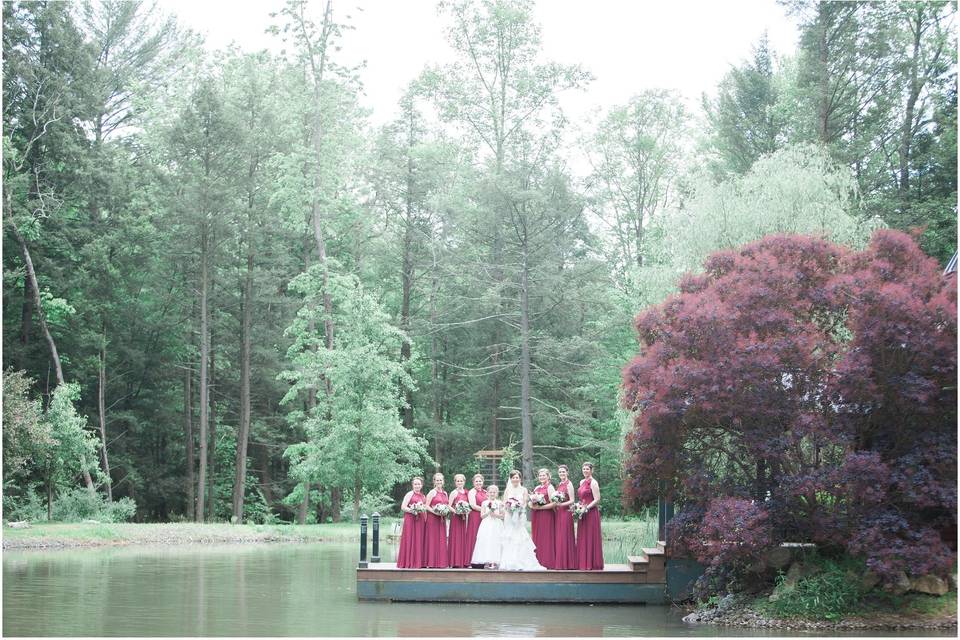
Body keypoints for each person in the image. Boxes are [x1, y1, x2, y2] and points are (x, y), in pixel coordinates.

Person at [499, 470, 546, 571]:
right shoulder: (507, 490)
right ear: (511, 479)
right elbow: (504, 503)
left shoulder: (524, 490)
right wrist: (510, 509)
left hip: (519, 516)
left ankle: (522, 561)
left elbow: (524, 503)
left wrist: (518, 509)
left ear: (520, 478)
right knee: (510, 537)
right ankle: (509, 561)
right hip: (509, 517)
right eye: (513, 477)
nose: (515, 479)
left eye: (517, 477)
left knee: (520, 536)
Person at [576, 462, 604, 570]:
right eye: (583, 469)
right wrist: (579, 507)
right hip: (582, 513)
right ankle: (583, 562)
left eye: (587, 469)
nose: (585, 471)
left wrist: (586, 508)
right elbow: (581, 498)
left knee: (590, 536)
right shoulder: (581, 482)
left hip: (591, 513)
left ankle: (591, 563)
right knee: (583, 537)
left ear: (591, 470)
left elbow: (597, 499)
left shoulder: (594, 482)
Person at [396, 476, 427, 568]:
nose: (417, 486)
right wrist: (413, 510)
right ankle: (408, 562)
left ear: (421, 485)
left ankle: (417, 562)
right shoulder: (409, 494)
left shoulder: (423, 496)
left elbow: (424, 508)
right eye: (415, 484)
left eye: (419, 484)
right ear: (412, 485)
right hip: (410, 519)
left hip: (420, 520)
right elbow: (403, 507)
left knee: (418, 539)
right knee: (409, 538)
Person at [470, 485, 504, 569]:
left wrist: (495, 514)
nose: (492, 494)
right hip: (486, 524)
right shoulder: (484, 503)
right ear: (487, 493)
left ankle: (495, 561)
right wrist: (489, 512)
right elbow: (482, 516)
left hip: (497, 524)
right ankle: (487, 561)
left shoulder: (500, 503)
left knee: (496, 541)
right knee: (487, 540)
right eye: (490, 492)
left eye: (494, 492)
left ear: (497, 493)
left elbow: (502, 516)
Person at [529, 468, 556, 569]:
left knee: (546, 537)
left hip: (546, 516)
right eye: (540, 475)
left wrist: (541, 507)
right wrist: (531, 504)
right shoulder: (536, 488)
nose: (542, 477)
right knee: (537, 537)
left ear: (548, 476)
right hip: (537, 516)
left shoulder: (550, 487)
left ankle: (547, 561)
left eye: (544, 475)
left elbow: (554, 503)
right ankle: (538, 561)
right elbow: (531, 501)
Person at [553, 464, 577, 570]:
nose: (562, 473)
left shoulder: (569, 484)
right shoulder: (560, 483)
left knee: (565, 536)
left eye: (563, 472)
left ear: (567, 472)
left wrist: (560, 505)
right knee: (560, 537)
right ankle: (561, 562)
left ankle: (568, 563)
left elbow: (572, 500)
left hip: (566, 512)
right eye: (560, 472)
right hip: (559, 513)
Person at [424, 472, 450, 568]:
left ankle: (441, 562)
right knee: (433, 540)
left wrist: (445, 513)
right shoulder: (432, 492)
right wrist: (435, 512)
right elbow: (426, 505)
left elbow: (447, 505)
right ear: (434, 481)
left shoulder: (445, 493)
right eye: (437, 480)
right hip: (433, 519)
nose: (439, 482)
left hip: (442, 520)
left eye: (440, 480)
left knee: (441, 540)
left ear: (443, 481)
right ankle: (431, 562)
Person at [447, 473, 471, 567]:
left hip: (464, 518)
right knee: (456, 538)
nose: (459, 482)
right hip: (456, 518)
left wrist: (466, 510)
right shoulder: (454, 492)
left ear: (464, 482)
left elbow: (469, 504)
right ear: (455, 482)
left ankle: (462, 561)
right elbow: (449, 505)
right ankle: (454, 561)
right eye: (458, 481)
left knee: (463, 538)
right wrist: (457, 512)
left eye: (461, 481)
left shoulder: (466, 492)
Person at [466, 474, 487, 567]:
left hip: (484, 517)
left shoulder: (486, 492)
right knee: (474, 536)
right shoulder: (471, 492)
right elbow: (473, 505)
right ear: (473, 482)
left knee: (483, 537)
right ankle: (472, 561)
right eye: (476, 481)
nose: (478, 483)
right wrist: (485, 510)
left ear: (483, 482)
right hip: (475, 516)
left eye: (480, 481)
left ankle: (482, 560)